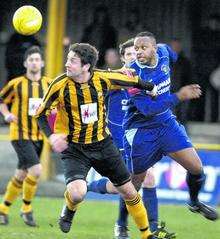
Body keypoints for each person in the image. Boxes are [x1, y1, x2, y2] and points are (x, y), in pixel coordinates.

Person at [35, 43, 168, 239]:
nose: (67, 64)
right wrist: (52, 136)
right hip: (74, 149)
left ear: (86, 66)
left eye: (72, 60)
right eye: (68, 59)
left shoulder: (103, 79)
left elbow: (131, 80)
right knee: (78, 193)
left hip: (103, 145)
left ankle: (146, 234)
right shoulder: (59, 84)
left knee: (130, 192)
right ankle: (69, 209)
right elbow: (40, 114)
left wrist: (151, 88)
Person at [123, 31, 218, 222]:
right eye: (136, 49)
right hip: (142, 131)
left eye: (143, 48)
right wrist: (178, 96)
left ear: (154, 48)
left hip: (166, 125)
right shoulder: (133, 75)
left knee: (197, 169)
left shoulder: (165, 52)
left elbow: (173, 54)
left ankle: (194, 202)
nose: (138, 52)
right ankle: (122, 224)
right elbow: (147, 109)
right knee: (135, 184)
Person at [87, 39, 160, 239]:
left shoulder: (144, 78)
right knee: (127, 185)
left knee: (146, 180)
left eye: (135, 54)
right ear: (122, 58)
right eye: (128, 54)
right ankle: (122, 224)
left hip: (142, 138)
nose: (133, 57)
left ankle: (150, 228)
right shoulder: (112, 79)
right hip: (117, 140)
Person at [0, 46, 51, 226]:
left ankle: (3, 210)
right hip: (20, 134)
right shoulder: (16, 83)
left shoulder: (49, 84)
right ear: (25, 63)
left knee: (21, 174)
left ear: (42, 63)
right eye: (31, 60)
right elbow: (1, 101)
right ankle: (26, 209)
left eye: (37, 59)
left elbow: (55, 107)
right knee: (36, 170)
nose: (34, 62)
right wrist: (6, 114)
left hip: (39, 136)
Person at [170, 38, 192, 126]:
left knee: (182, 115)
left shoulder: (185, 62)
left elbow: (189, 77)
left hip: (183, 91)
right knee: (171, 115)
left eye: (177, 46)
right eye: (173, 46)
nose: (175, 48)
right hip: (170, 92)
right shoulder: (166, 60)